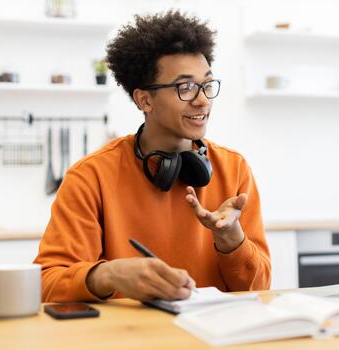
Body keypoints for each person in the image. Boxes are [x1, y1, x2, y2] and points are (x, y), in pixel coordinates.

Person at [34, 10, 271, 302]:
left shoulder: (234, 170)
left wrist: (232, 241)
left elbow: (259, 291)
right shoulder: (91, 176)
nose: (202, 100)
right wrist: (108, 274)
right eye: (185, 87)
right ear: (144, 99)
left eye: (206, 85)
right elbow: (47, 284)